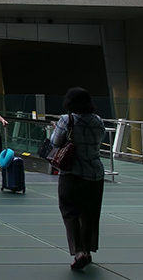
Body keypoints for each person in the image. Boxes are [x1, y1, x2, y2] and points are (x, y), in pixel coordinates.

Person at [52, 87, 105, 271]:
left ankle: (78, 251)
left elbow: (55, 142)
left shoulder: (67, 120)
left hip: (72, 173)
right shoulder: (98, 121)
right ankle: (89, 250)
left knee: (69, 211)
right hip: (95, 173)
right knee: (89, 213)